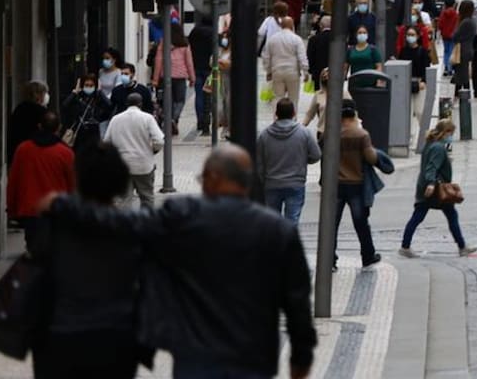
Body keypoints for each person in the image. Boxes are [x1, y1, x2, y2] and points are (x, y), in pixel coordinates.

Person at [46, 144, 317, 377]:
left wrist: (62, 205)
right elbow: (296, 298)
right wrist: (301, 354)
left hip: (195, 353)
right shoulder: (278, 230)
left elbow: (124, 223)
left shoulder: (185, 216)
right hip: (254, 353)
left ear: (213, 177)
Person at [30, 141, 151, 378]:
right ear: (121, 180)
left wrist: (59, 202)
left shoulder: (57, 222)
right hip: (116, 341)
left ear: (79, 178)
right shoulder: (134, 230)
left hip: (59, 338)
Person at [400, 119, 477, 257]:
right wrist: (431, 184)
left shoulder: (431, 144)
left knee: (421, 216)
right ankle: (462, 247)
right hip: (435, 189)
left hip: (428, 187)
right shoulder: (438, 148)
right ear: (445, 132)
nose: (451, 136)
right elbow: (431, 168)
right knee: (442, 216)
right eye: (451, 133)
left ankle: (405, 247)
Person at [8, 111, 75, 253]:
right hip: (57, 211)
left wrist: (12, 208)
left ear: (39, 126)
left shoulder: (23, 149)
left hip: (30, 210)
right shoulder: (65, 153)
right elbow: (72, 184)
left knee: (33, 252)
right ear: (59, 128)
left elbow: (14, 180)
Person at [256, 98, 321, 225]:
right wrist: (303, 160)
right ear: (294, 113)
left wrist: (263, 180)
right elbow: (316, 155)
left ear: (276, 114)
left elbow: (259, 162)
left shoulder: (264, 135)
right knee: (292, 221)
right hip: (295, 182)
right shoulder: (304, 133)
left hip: (272, 183)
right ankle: (288, 243)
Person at [336, 100, 382, 268]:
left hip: (336, 183)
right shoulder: (361, 134)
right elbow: (371, 157)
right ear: (354, 115)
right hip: (356, 183)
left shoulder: (332, 133)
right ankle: (367, 255)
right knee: (361, 223)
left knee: (332, 224)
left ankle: (330, 259)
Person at [103, 93, 164, 208]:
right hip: (144, 165)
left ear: (127, 104)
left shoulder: (115, 119)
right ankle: (146, 223)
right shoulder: (147, 118)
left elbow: (106, 142)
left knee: (123, 200)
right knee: (147, 198)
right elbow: (159, 141)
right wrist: (153, 150)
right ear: (140, 104)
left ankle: (124, 224)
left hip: (122, 166)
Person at [152, 23, 194, 136]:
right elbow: (189, 62)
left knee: (167, 101)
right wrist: (192, 77)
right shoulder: (184, 43)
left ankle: (169, 120)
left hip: (165, 76)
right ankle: (174, 119)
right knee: (180, 101)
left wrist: (155, 79)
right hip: (180, 77)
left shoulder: (163, 43)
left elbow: (158, 60)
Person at [264, 15, 309, 111]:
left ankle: (277, 119)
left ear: (280, 25)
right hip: (292, 72)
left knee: (277, 97)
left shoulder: (273, 39)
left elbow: (267, 57)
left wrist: (268, 71)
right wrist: (305, 72)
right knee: (293, 99)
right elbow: (302, 57)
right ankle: (293, 119)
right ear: (292, 25)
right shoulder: (296, 39)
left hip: (277, 71)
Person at [60, 72, 111, 155]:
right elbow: (64, 106)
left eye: (91, 85)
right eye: (86, 85)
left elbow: (109, 106)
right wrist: (75, 92)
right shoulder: (78, 96)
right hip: (79, 132)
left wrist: (100, 91)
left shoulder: (97, 97)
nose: (89, 87)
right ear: (82, 85)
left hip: (93, 131)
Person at [8, 79, 49, 168]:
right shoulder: (41, 112)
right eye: (44, 93)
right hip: (35, 156)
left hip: (17, 154)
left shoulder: (18, 109)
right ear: (38, 94)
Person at [398, 25, 434, 124]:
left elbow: (426, 68)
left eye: (413, 34)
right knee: (406, 113)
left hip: (419, 84)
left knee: (420, 111)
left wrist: (423, 81)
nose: (410, 37)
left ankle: (425, 134)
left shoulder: (422, 51)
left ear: (418, 36)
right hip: (406, 84)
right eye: (408, 34)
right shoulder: (403, 51)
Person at [187, 18, 214, 135]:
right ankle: (206, 122)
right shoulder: (213, 33)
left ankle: (200, 121)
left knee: (199, 95)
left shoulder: (194, 32)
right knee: (209, 96)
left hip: (196, 67)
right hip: (210, 69)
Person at [451, 0, 477, 91]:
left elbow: (455, 36)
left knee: (462, 73)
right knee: (462, 72)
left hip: (462, 50)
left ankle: (462, 93)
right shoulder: (472, 21)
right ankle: (459, 92)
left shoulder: (465, 22)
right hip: (467, 49)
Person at [307, 15, 332, 89]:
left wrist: (311, 71)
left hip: (318, 72)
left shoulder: (313, 39)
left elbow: (310, 57)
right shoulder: (338, 40)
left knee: (319, 94)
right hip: (334, 72)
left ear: (321, 25)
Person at [437, 0, 460, 76]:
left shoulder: (443, 13)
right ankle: (451, 68)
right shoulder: (456, 14)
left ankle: (446, 67)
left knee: (446, 51)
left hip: (445, 35)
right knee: (451, 51)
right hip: (453, 35)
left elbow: (440, 25)